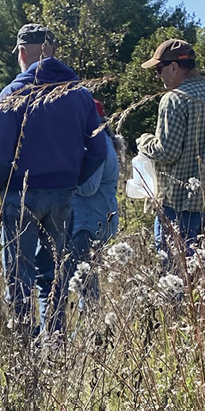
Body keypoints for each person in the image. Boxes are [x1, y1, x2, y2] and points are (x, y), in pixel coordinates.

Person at [0, 23, 107, 337]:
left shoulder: (12, 94)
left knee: (19, 274)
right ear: (51, 51)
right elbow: (98, 149)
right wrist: (73, 179)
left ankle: (23, 347)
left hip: (20, 195)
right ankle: (54, 341)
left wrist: (4, 187)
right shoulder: (79, 94)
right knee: (55, 274)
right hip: (63, 195)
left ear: (22, 54)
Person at [137, 39, 205, 258]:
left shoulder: (174, 99)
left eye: (159, 69)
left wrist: (144, 141)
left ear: (175, 67)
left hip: (179, 207)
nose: (158, 76)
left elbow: (166, 151)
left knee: (176, 275)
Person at [69, 99, 122, 308]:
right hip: (97, 219)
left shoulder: (97, 145)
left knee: (86, 282)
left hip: (88, 223)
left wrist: (62, 178)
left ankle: (90, 333)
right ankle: (91, 331)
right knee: (87, 279)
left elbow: (88, 187)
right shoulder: (104, 141)